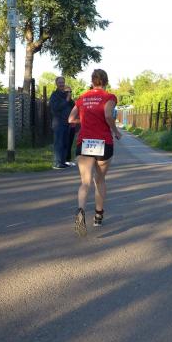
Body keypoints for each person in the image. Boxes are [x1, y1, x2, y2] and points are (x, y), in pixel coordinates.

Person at [68, 68, 122, 236]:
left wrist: (84, 120)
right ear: (105, 81)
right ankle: (98, 216)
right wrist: (116, 131)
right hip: (103, 142)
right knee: (100, 180)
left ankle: (80, 211)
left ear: (92, 81)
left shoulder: (82, 97)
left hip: (84, 142)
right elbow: (108, 115)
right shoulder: (109, 97)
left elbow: (70, 119)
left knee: (85, 182)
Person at [49, 76, 72, 169]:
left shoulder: (65, 94)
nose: (62, 84)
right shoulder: (54, 95)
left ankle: (62, 162)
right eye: (60, 82)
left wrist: (69, 96)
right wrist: (66, 100)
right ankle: (57, 163)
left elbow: (73, 106)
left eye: (63, 82)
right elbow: (55, 108)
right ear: (56, 84)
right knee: (59, 143)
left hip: (67, 122)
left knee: (65, 143)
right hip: (58, 122)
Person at [64, 86, 77, 166]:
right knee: (65, 143)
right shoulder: (63, 101)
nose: (69, 93)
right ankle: (63, 160)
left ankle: (68, 159)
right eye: (67, 92)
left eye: (70, 92)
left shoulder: (72, 102)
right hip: (64, 125)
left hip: (72, 125)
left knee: (70, 143)